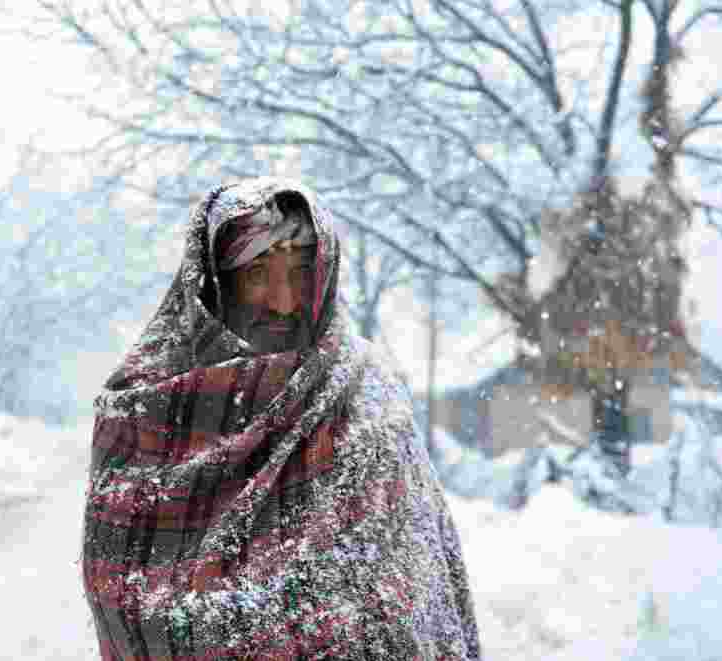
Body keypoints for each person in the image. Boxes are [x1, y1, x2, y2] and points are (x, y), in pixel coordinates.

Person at [78, 177, 482, 660]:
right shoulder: (148, 406)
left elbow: (413, 588)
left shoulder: (365, 394)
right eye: (257, 274)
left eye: (301, 273)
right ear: (215, 282)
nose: (284, 300)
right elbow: (122, 591)